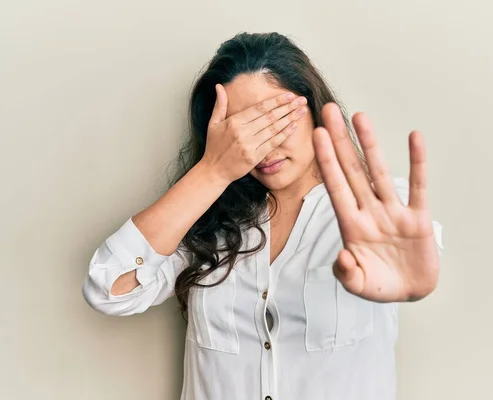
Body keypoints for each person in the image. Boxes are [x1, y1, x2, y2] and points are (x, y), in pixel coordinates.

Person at [82, 32, 444, 400]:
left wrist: (409, 275)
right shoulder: (210, 222)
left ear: (313, 111)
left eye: (277, 118)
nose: (263, 145)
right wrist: (214, 170)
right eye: (243, 130)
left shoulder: (374, 210)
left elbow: (410, 257)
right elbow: (109, 288)